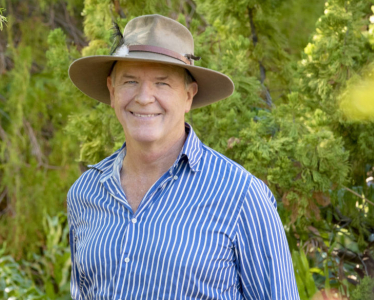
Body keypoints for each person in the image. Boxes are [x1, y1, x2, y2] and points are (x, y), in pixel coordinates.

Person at [67, 14, 299, 299]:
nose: (144, 97)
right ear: (112, 91)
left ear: (189, 96)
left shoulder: (241, 196)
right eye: (129, 82)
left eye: (162, 83)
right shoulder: (85, 194)